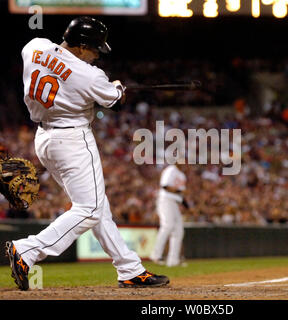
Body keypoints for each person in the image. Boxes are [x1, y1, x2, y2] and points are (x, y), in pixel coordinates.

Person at [5, 16, 169, 291]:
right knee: (90, 208)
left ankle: (130, 269)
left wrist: (106, 87)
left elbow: (57, 68)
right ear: (81, 46)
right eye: (94, 49)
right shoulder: (89, 75)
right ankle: (28, 250)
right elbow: (116, 101)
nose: (96, 56)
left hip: (44, 138)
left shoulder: (34, 46)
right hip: (72, 139)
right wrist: (116, 88)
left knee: (95, 205)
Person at [150, 163, 188, 267]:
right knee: (167, 226)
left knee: (179, 231)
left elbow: (181, 193)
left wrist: (187, 206)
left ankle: (173, 260)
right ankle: (155, 255)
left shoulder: (182, 174)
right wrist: (180, 191)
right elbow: (165, 186)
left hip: (175, 203)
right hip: (165, 200)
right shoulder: (171, 169)